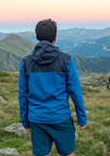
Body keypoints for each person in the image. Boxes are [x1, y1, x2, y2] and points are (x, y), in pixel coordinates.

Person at [19, 19, 87, 156]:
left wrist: (25, 121)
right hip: (60, 117)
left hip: (37, 118)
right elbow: (75, 91)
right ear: (55, 37)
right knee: (68, 153)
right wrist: (82, 118)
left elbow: (23, 94)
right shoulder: (67, 60)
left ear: (37, 37)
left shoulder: (26, 62)